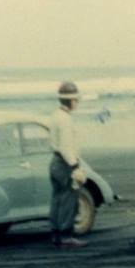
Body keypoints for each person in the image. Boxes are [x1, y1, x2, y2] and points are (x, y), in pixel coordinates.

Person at [47, 81, 88, 248]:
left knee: (57, 198)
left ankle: (56, 234)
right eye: (76, 100)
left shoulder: (55, 115)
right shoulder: (65, 120)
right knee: (68, 198)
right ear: (71, 101)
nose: (77, 103)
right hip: (64, 163)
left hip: (55, 162)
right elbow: (65, 147)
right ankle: (65, 236)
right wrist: (74, 167)